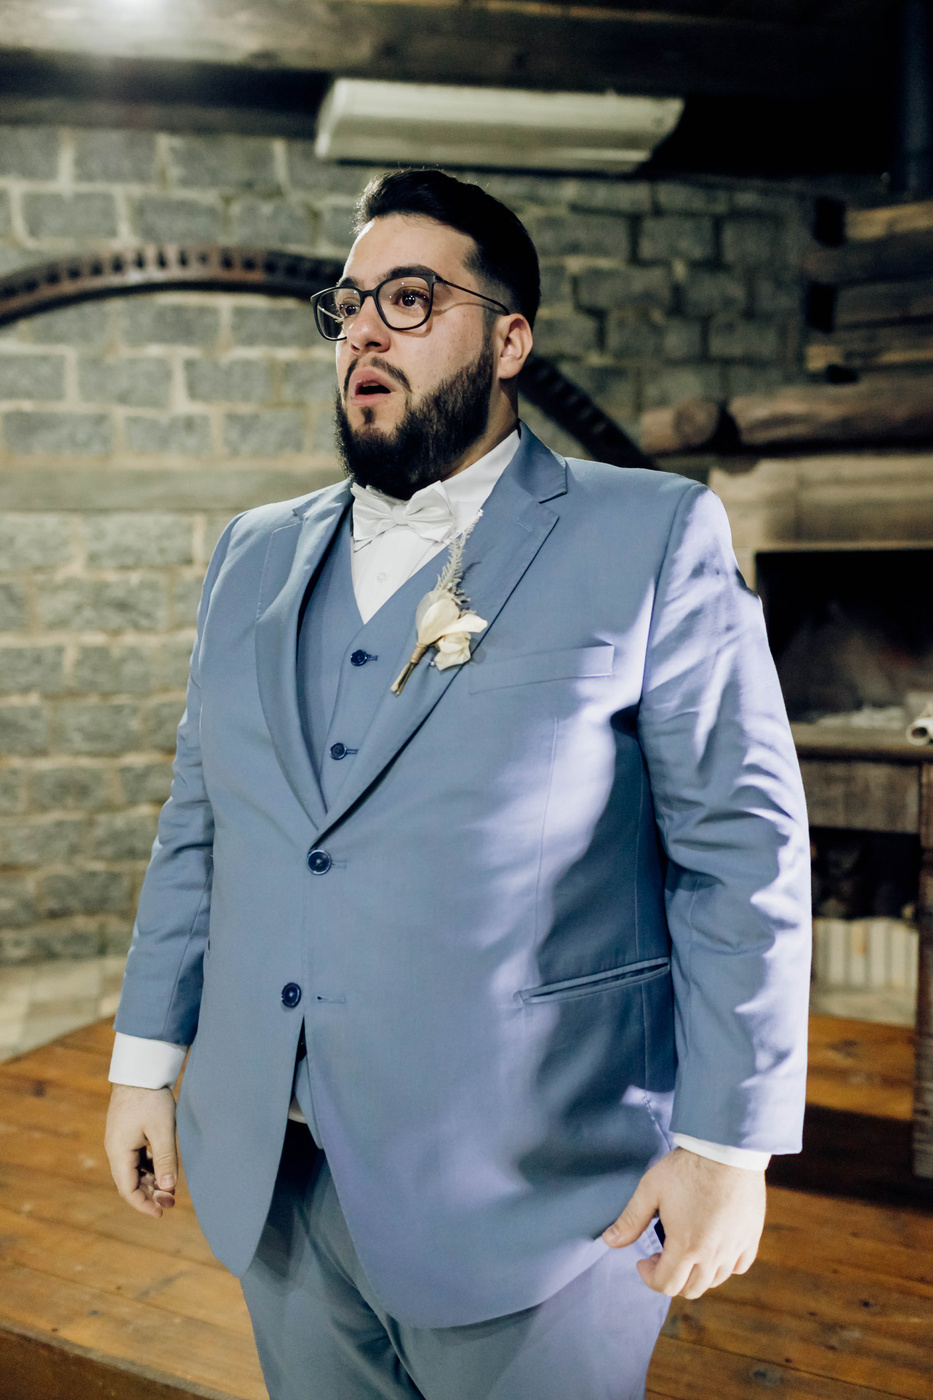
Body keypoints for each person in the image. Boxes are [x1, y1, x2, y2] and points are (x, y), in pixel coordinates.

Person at [104, 169, 811, 1400]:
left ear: (509, 341)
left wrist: (726, 1144)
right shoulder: (251, 552)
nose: (364, 331)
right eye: (349, 305)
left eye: (411, 299)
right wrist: (144, 1060)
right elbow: (201, 819)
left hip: (540, 1193)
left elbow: (740, 849)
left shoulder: (652, 534)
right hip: (277, 1181)